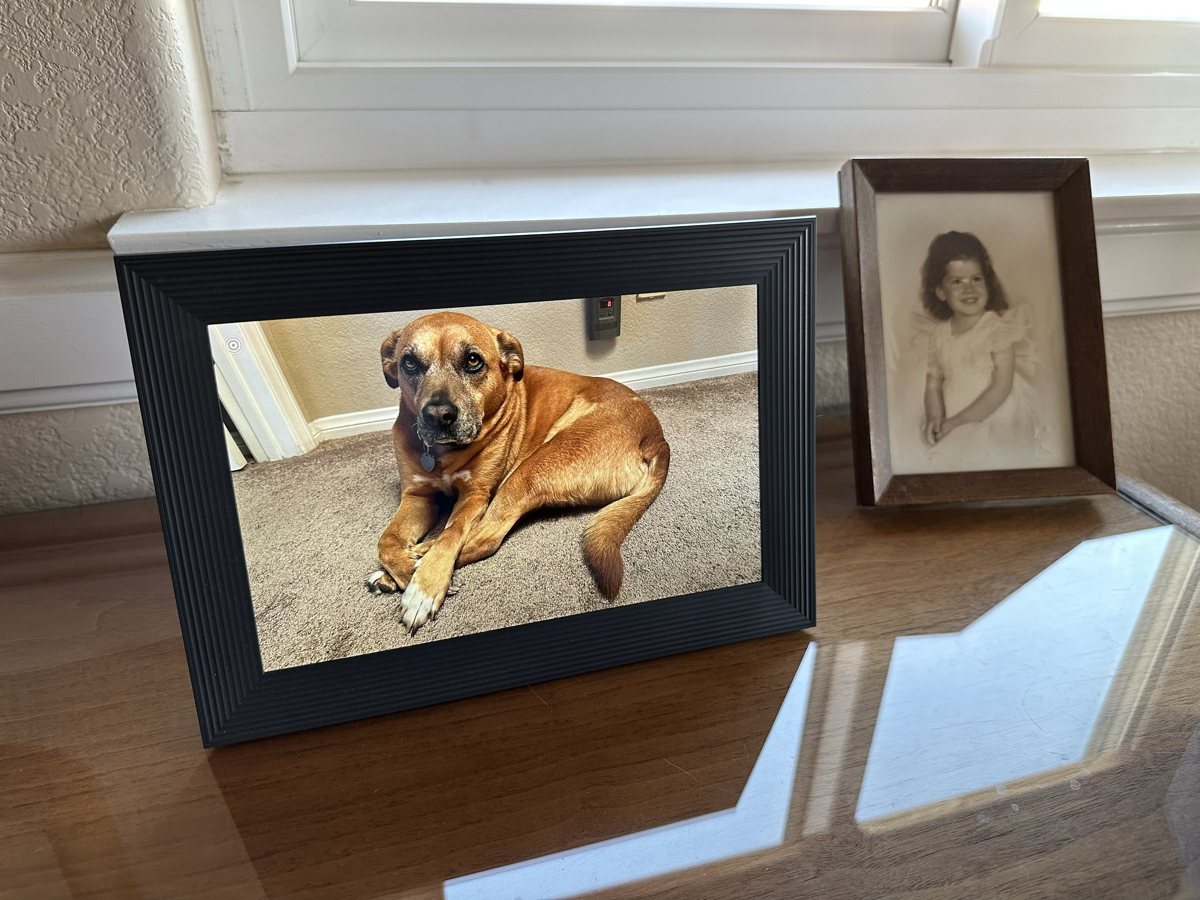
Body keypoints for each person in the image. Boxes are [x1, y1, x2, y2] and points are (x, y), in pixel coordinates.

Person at [919, 231, 1040, 465]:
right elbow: (933, 383)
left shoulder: (996, 328)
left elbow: (1001, 387)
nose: (969, 289)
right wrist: (935, 416)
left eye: (976, 279)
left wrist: (958, 421)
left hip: (994, 415)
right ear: (940, 292)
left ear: (988, 282)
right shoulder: (939, 334)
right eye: (957, 281)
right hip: (954, 414)